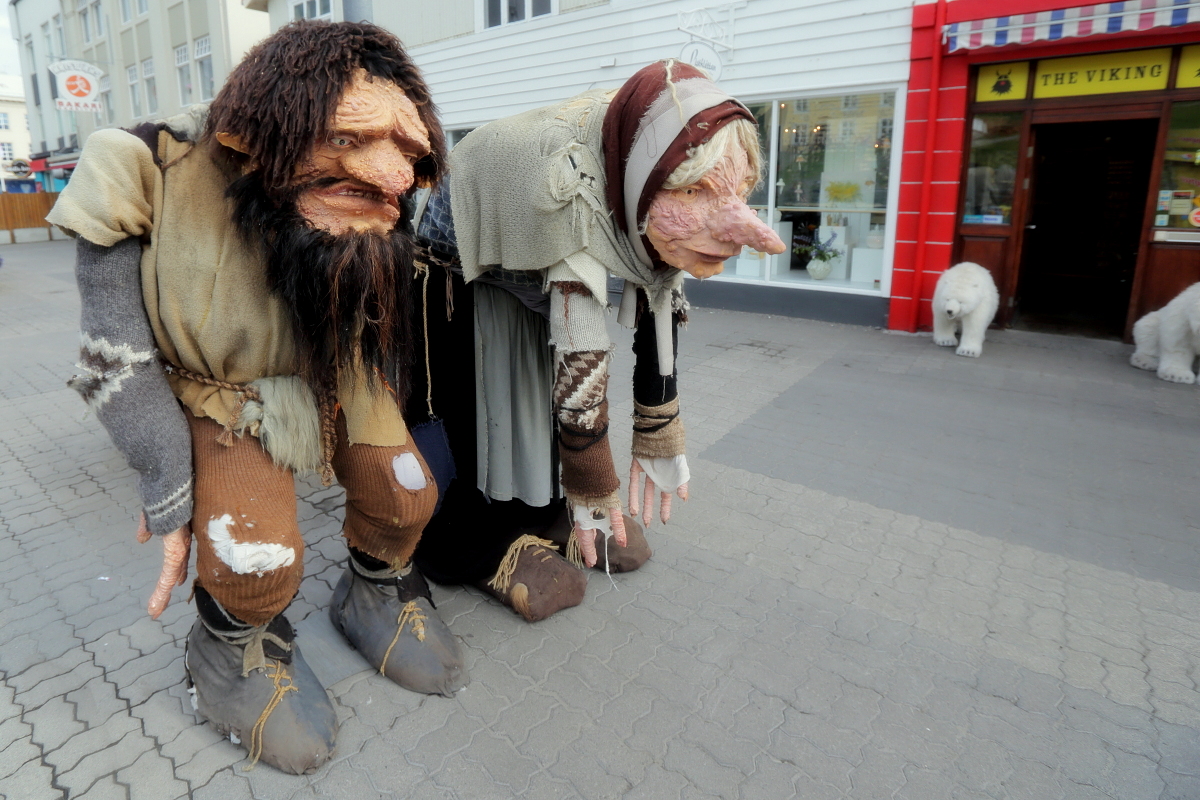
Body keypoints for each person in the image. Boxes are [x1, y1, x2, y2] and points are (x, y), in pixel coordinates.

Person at [48, 21, 466, 774]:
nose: (395, 177)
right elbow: (112, 354)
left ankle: (374, 591)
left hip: (339, 367)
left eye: (406, 149)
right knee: (255, 557)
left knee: (405, 493)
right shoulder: (148, 161)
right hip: (228, 393)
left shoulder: (382, 196)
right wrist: (168, 483)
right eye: (352, 139)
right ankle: (230, 646)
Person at [407, 60, 786, 621]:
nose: (736, 228)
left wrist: (659, 430)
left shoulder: (641, 163)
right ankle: (476, 540)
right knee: (478, 401)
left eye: (739, 191)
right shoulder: (571, 183)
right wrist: (595, 479)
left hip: (528, 275)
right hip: (455, 268)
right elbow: (582, 352)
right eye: (696, 189)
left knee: (537, 396)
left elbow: (662, 289)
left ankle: (543, 509)